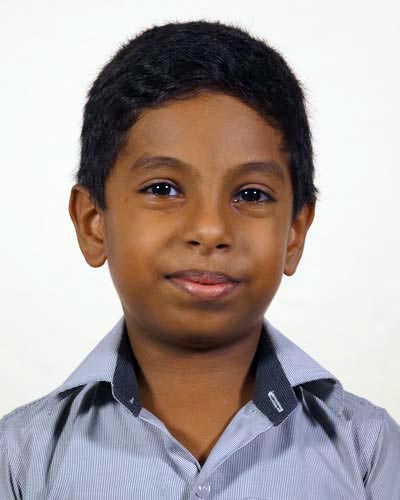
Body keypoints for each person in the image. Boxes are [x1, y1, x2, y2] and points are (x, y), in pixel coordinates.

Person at [1, 20, 399, 500]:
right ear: (93, 223)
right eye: (163, 188)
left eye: (251, 194)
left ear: (295, 233)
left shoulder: (369, 450)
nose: (210, 230)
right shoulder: (20, 458)